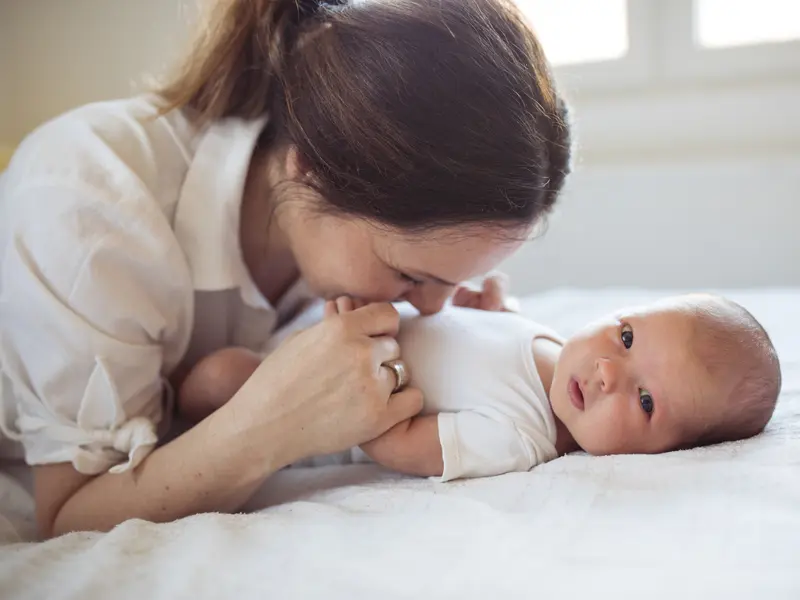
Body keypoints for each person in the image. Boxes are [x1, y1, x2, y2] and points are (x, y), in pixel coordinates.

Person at [0, 0, 571, 537]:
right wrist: (269, 427)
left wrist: (456, 356)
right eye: (413, 276)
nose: (427, 304)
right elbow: (67, 516)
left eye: (452, 280)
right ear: (308, 173)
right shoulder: (90, 209)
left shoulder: (330, 241)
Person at [181, 294, 781, 479]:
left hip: (311, 397)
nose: (607, 373)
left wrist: (353, 355)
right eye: (626, 338)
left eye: (646, 401)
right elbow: (476, 337)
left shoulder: (518, 440)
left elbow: (399, 444)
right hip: (329, 330)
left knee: (218, 377)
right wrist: (481, 305)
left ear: (663, 455)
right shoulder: (547, 343)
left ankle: (165, 426)